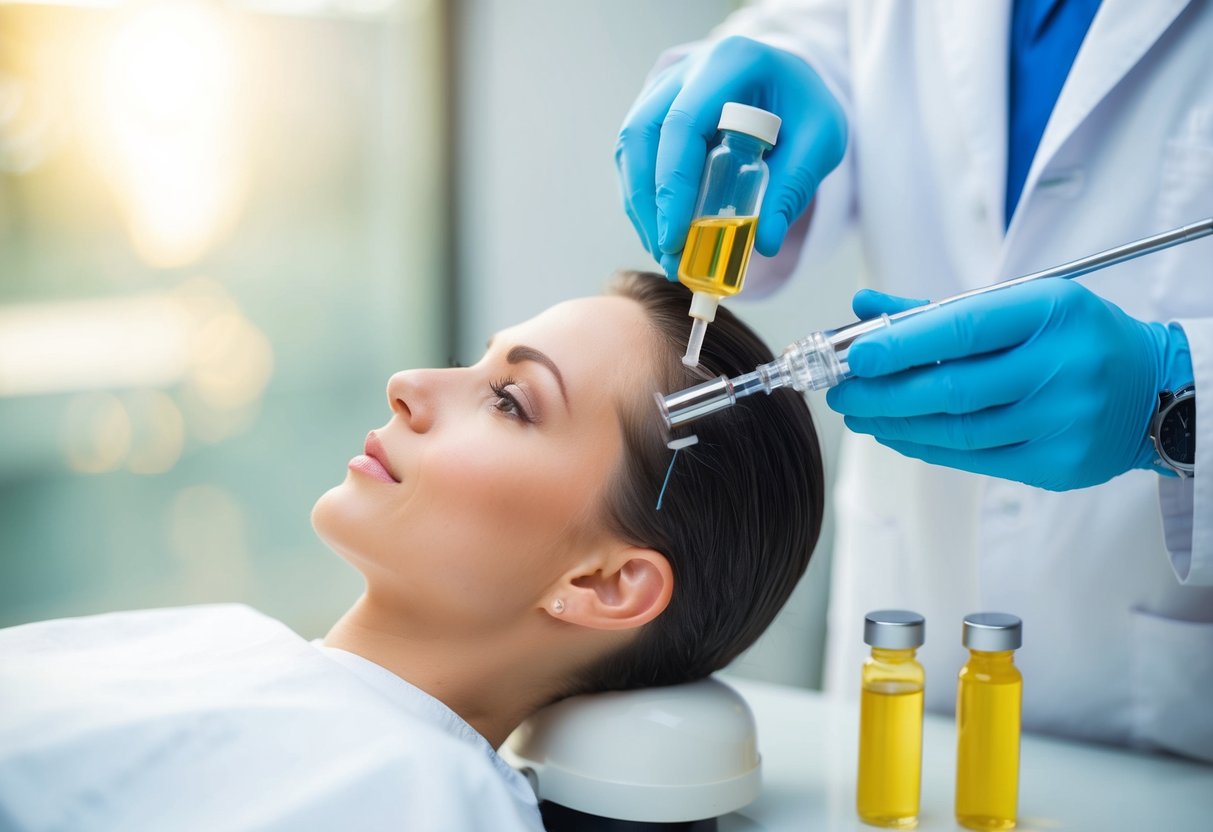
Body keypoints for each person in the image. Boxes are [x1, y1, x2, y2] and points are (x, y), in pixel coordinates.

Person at [0, 273, 824, 831]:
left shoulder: (422, 796)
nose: (409, 383)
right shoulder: (213, 636)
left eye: (509, 401)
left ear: (604, 582)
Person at [616, 1, 1213, 761]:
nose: (413, 391)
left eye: (516, 403)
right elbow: (818, 44)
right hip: (913, 644)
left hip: (1168, 720)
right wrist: (750, 98)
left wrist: (1176, 397)